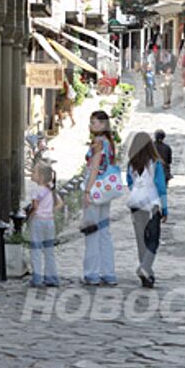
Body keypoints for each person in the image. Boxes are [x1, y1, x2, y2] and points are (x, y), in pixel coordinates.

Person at [126, 132, 168, 288]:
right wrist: (165, 208)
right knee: (153, 240)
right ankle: (145, 268)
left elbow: (130, 183)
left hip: (136, 205)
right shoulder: (156, 163)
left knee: (141, 240)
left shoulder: (131, 164)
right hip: (153, 205)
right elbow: (161, 186)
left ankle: (147, 274)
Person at [82, 110, 117, 285]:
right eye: (91, 122)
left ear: (103, 124)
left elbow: (95, 168)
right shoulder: (109, 143)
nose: (91, 125)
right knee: (104, 232)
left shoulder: (97, 143)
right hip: (106, 190)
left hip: (95, 189)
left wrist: (87, 191)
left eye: (95, 122)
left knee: (92, 232)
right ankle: (108, 272)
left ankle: (92, 272)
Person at [28, 164, 62, 288]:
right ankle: (51, 277)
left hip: (38, 221)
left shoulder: (36, 190)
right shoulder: (50, 189)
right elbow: (60, 203)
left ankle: (37, 277)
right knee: (49, 250)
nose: (32, 174)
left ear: (41, 177)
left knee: (36, 250)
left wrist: (29, 215)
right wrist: (50, 211)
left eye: (34, 172)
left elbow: (35, 207)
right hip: (49, 222)